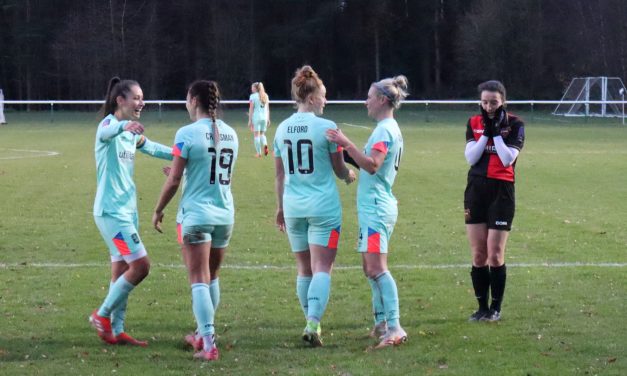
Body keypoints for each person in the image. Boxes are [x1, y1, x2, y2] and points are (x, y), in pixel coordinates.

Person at [152, 80, 238, 361]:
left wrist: (158, 208)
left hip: (197, 215)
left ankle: (209, 345)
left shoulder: (186, 133)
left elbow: (175, 179)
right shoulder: (231, 134)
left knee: (198, 279)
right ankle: (202, 334)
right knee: (212, 277)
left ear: (193, 100)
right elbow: (211, 173)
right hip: (224, 214)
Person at [274, 65, 355, 347]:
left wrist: (280, 208)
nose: (325, 101)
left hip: (293, 207)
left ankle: (311, 323)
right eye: (323, 96)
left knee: (303, 269)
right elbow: (338, 167)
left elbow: (279, 174)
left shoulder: (282, 128)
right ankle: (313, 323)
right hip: (323, 208)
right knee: (322, 268)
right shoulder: (327, 127)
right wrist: (349, 175)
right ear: (310, 98)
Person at [326, 75, 408, 349]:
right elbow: (364, 162)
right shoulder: (386, 128)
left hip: (376, 208)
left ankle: (394, 328)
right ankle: (382, 322)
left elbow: (373, 164)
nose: (365, 102)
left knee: (376, 268)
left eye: (370, 97)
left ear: (383, 100)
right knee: (368, 268)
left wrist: (346, 142)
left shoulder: (385, 130)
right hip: (371, 208)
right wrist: (340, 148)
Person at [90, 77, 173, 346]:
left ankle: (116, 329)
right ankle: (101, 316)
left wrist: (181, 153)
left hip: (126, 212)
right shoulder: (109, 125)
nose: (141, 102)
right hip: (111, 213)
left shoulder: (129, 133)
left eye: (142, 97)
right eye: (136, 97)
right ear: (120, 100)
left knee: (121, 269)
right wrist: (126, 125)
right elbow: (107, 132)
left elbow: (152, 148)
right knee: (141, 266)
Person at [463, 80, 525, 322]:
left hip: (502, 191)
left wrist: (498, 134)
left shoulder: (516, 124)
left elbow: (508, 158)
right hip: (476, 190)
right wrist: (486, 134)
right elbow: (471, 157)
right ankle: (482, 307)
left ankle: (496, 309)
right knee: (479, 254)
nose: (489, 106)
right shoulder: (473, 123)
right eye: (485, 101)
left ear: (503, 102)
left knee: (495, 253)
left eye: (494, 102)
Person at [248, 82, 271, 157]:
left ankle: (259, 153)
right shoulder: (265, 95)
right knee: (262, 134)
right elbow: (267, 109)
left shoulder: (252, 96)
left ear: (255, 88)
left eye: (252, 87)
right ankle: (265, 145)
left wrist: (250, 120)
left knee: (256, 135)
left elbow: (251, 108)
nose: (251, 88)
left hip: (256, 117)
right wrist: (268, 119)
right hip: (264, 117)